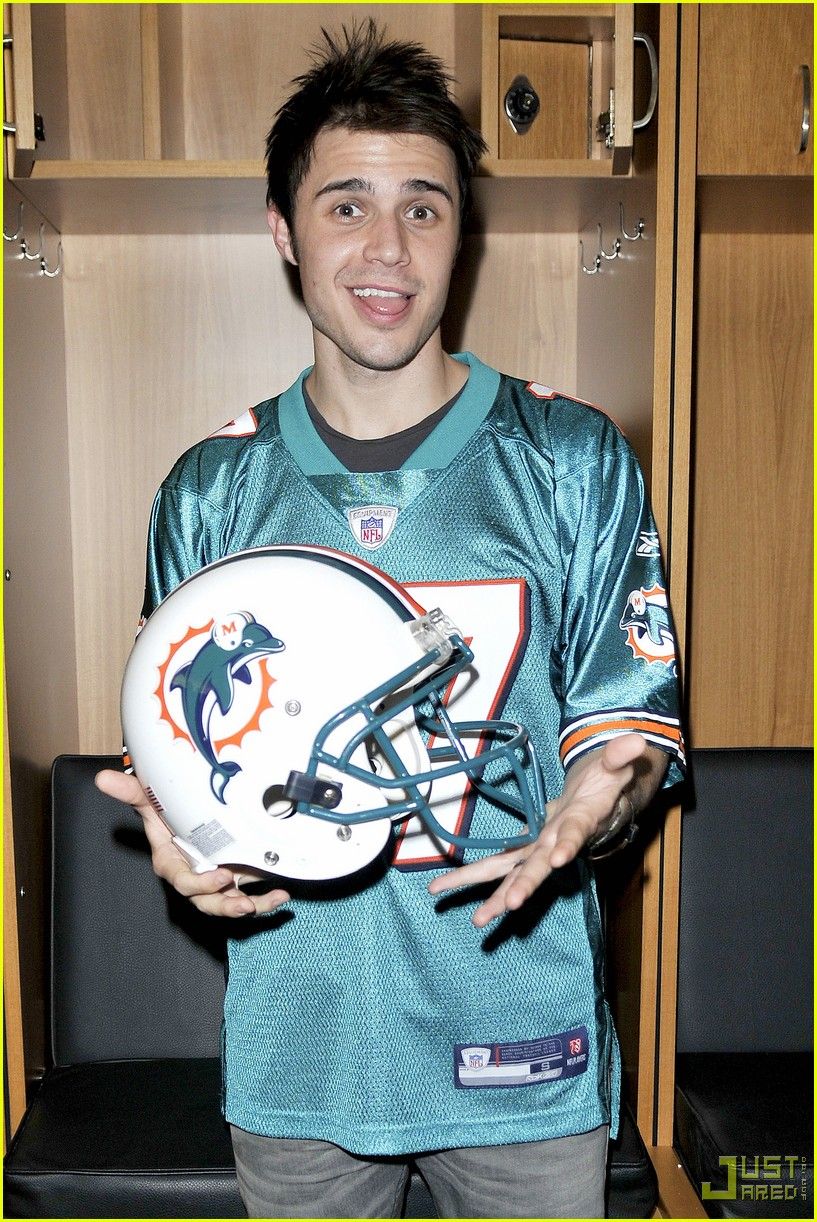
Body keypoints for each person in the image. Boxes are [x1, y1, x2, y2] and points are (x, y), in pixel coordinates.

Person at [97, 22, 685, 1219]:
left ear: (462, 234)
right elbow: (181, 756)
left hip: (521, 1047)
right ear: (283, 230)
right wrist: (178, 839)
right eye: (346, 205)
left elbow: (625, 734)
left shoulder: (572, 460)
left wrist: (599, 803)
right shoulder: (208, 491)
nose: (387, 247)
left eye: (424, 207)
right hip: (299, 1053)